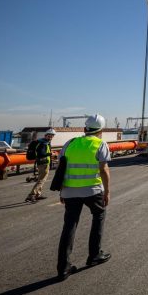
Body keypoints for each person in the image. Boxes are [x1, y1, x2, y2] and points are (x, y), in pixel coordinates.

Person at [56, 114, 111, 281]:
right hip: (92, 191)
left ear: (85, 129)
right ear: (101, 131)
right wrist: (107, 192)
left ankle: (63, 268)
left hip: (70, 191)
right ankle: (94, 254)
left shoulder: (70, 143)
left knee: (69, 225)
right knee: (98, 216)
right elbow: (104, 170)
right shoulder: (100, 144)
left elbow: (61, 168)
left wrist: (61, 191)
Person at [25, 128, 56, 203]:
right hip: (44, 164)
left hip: (40, 163)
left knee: (40, 179)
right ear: (46, 135)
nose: (50, 137)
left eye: (52, 136)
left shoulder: (43, 142)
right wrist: (51, 154)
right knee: (41, 180)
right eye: (49, 136)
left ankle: (38, 194)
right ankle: (31, 195)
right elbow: (41, 154)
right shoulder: (43, 143)